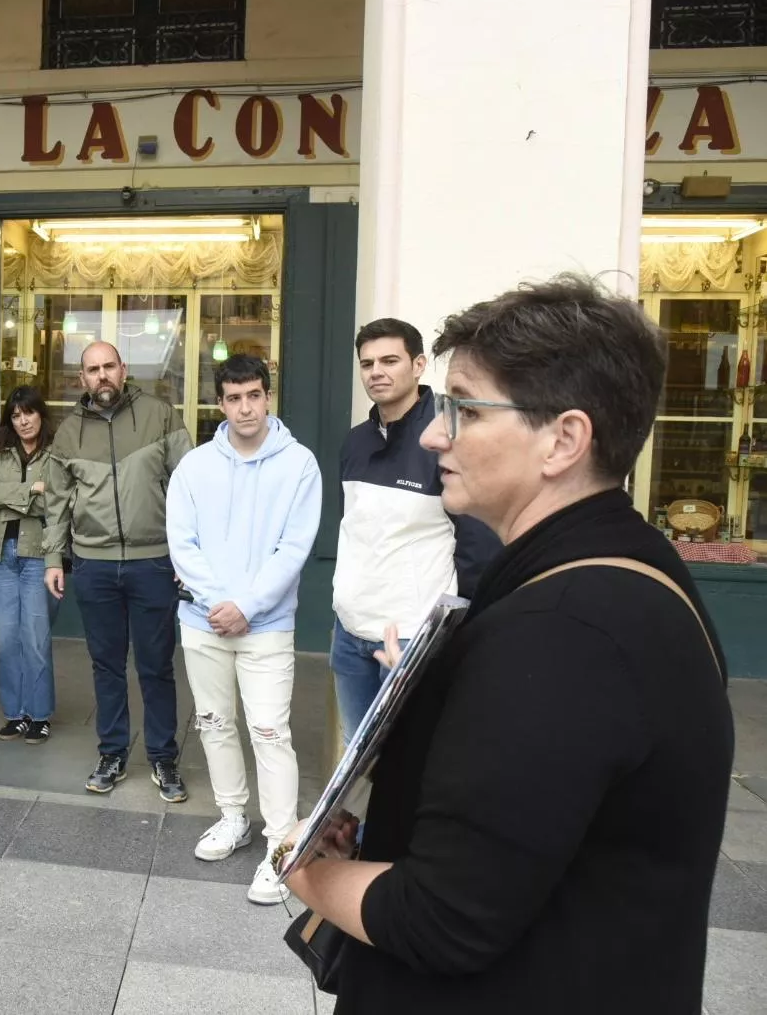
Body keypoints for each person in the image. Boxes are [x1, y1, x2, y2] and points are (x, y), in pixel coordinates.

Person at [282, 275, 734, 1014]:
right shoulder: (613, 566)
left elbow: (440, 917)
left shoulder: (565, 629)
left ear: (563, 438)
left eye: (462, 407)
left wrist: (299, 866)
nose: (434, 433)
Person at [166, 354, 320, 905]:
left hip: (266, 625)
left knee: (270, 732)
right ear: (220, 402)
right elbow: (182, 543)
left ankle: (281, 846)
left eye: (254, 395)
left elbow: (294, 549)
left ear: (267, 395)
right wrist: (216, 603)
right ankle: (233, 817)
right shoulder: (195, 467)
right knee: (213, 723)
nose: (245, 407)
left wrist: (247, 607)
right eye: (233, 398)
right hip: (203, 620)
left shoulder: (299, 463)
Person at [331, 318, 500, 742]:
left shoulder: (448, 438)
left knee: (408, 763)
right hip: (349, 633)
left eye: (390, 360)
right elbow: (356, 532)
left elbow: (478, 549)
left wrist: (450, 636)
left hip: (410, 638)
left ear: (419, 364)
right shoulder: (354, 442)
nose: (377, 372)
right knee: (357, 767)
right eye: (367, 363)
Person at [44, 341, 193, 800]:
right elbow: (56, 502)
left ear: (124, 369)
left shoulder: (160, 415)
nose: (102, 375)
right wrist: (54, 558)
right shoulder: (68, 433)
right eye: (93, 369)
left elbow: (190, 488)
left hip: (154, 562)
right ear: (82, 378)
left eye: (109, 366)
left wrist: (188, 558)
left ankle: (163, 757)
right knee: (106, 666)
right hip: (94, 566)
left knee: (156, 666)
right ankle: (112, 752)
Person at [0, 385, 61, 744]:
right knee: (7, 640)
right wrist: (30, 492)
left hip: (38, 554)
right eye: (15, 415)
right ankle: (15, 713)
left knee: (36, 638)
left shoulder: (56, 452)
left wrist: (6, 500)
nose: (23, 420)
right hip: (0, 553)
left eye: (28, 412)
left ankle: (39, 714)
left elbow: (57, 503)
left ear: (40, 414)